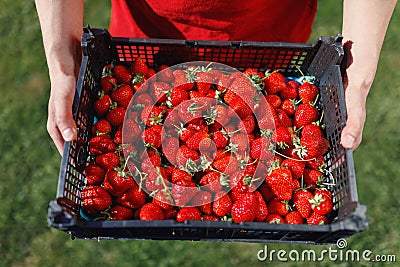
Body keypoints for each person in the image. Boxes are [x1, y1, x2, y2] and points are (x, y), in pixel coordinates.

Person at [35, 0, 397, 155]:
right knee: (136, 94)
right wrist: (63, 65)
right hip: (146, 48)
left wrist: (358, 75)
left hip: (268, 44)